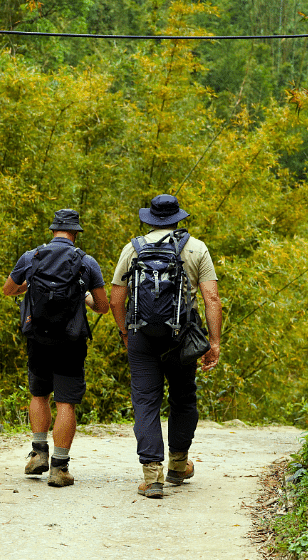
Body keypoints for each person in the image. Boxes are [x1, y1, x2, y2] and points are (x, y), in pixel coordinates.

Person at [109, 194, 222, 499]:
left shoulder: (132, 250)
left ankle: (151, 477)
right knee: (183, 398)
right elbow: (211, 299)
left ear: (149, 219)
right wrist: (214, 342)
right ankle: (178, 465)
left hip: (141, 336)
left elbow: (116, 299)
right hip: (182, 335)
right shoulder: (197, 248)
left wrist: (125, 333)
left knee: (145, 401)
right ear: (178, 218)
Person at [2, 209, 109, 487]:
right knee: (66, 403)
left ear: (52, 232)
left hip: (37, 338)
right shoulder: (87, 262)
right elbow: (102, 307)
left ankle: (38, 454)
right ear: (75, 233)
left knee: (39, 395)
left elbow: (8, 289)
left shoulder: (31, 257)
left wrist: (31, 286)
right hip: (71, 342)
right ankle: (59, 469)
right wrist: (83, 296)